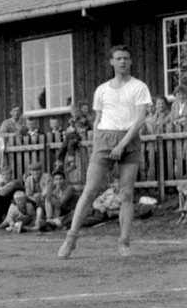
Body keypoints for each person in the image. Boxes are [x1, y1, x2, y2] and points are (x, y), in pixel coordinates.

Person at [58, 44, 152, 259]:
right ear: (112, 62)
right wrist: (96, 144)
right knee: (90, 190)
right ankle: (71, 239)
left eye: (126, 58)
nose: (122, 62)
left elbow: (139, 120)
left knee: (126, 193)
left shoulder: (139, 87)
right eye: (118, 58)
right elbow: (98, 119)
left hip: (129, 140)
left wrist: (122, 145)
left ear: (131, 61)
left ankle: (124, 242)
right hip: (104, 140)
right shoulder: (102, 90)